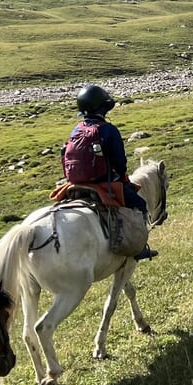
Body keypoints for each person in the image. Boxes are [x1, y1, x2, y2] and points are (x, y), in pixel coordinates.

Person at [64, 85, 155, 259]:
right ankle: (139, 247)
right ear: (103, 107)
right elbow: (120, 162)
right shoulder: (108, 130)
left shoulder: (76, 130)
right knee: (140, 204)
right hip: (100, 181)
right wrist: (121, 177)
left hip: (75, 183)